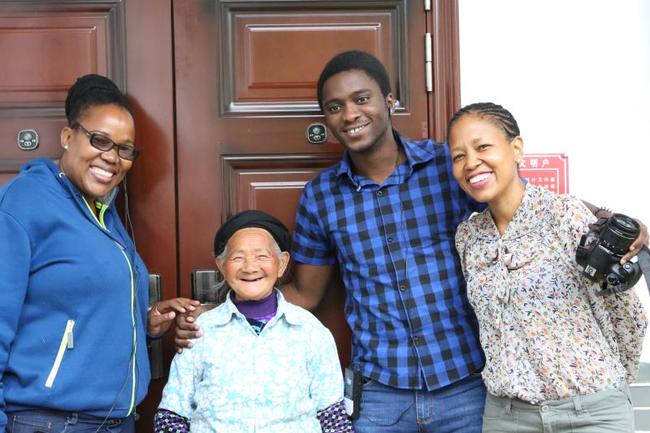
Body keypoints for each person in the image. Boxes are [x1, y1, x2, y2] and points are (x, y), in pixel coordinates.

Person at [175, 51, 649, 432]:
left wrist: (620, 223)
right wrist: (215, 316)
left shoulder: (450, 165)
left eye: (361, 99)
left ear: (389, 100)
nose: (349, 114)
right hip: (381, 395)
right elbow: (304, 296)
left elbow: (523, 201)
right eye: (335, 107)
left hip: (468, 385)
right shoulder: (322, 197)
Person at [0, 74, 198, 433]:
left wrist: (146, 323)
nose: (112, 157)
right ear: (67, 137)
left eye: (125, 149)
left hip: (114, 422)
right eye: (100, 140)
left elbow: (78, 306)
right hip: (49, 422)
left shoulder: (103, 212)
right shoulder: (23, 203)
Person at [447, 102, 648, 433]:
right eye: (458, 156)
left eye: (483, 147)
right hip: (508, 417)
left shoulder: (565, 216)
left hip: (591, 415)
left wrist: (609, 390)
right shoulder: (468, 237)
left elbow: (629, 317)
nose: (471, 163)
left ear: (516, 149)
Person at [154, 210, 354, 433]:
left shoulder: (311, 332)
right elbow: (171, 416)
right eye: (238, 257)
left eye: (262, 256)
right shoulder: (200, 330)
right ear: (221, 265)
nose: (250, 267)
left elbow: (333, 417)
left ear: (281, 263)